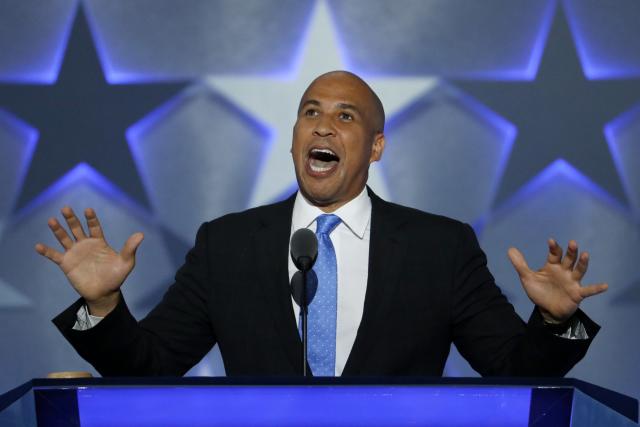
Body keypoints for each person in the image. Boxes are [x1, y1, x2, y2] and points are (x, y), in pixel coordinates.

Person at [36, 71, 607, 377]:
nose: (323, 126)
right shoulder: (227, 244)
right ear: (293, 140)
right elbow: (151, 367)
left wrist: (554, 322)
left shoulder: (441, 247)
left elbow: (512, 370)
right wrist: (105, 307)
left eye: (345, 116)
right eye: (310, 112)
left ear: (376, 146)